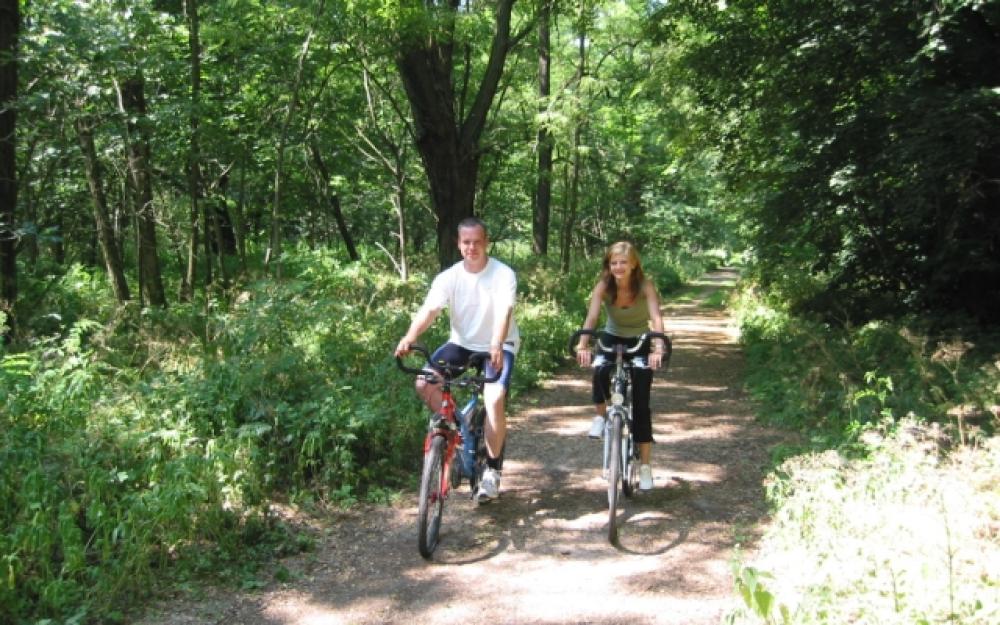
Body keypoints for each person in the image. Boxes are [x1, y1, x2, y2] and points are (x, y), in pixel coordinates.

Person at [395, 217, 519, 502]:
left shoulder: (503, 274)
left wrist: (497, 343)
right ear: (458, 244)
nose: (472, 247)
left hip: (498, 344)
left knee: (495, 397)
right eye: (466, 242)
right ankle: (458, 428)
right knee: (423, 384)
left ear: (486, 242)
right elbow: (430, 310)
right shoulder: (449, 277)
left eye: (477, 242)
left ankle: (492, 469)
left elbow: (504, 311)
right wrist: (410, 337)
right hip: (461, 344)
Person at [574, 241, 667, 491]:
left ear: (633, 264)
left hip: (640, 338)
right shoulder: (604, 286)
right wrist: (583, 344)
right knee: (600, 368)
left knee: (641, 402)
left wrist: (658, 348)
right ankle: (601, 416)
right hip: (612, 335)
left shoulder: (645, 286)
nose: (618, 267)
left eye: (623, 262)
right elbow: (592, 317)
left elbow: (656, 317)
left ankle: (646, 467)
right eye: (614, 262)